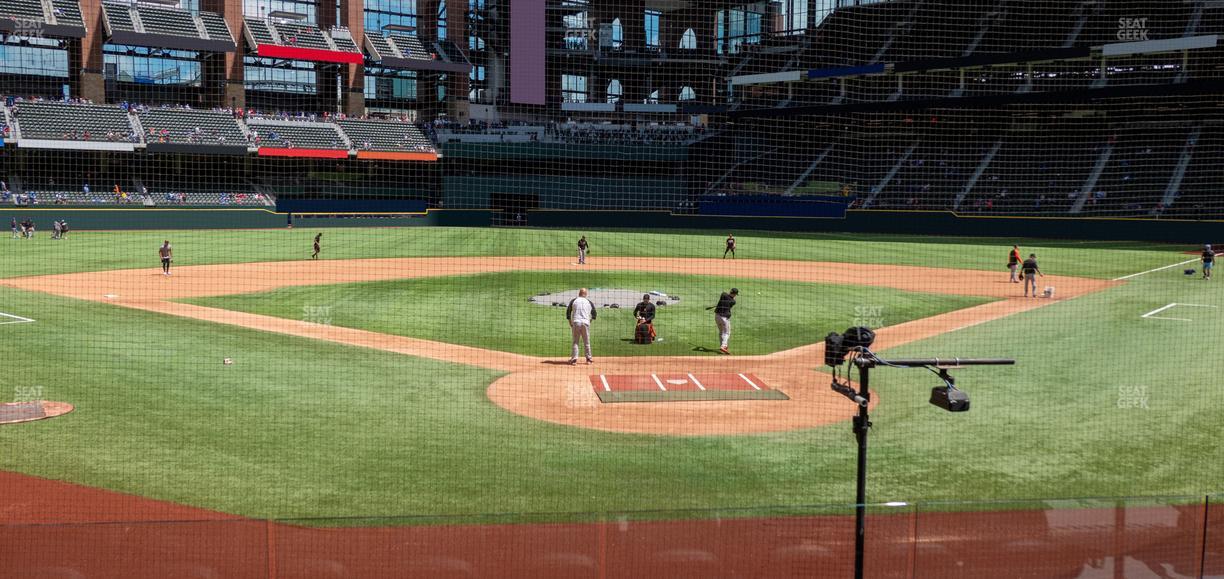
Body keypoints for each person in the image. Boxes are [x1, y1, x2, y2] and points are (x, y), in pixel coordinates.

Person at [565, 288, 596, 364]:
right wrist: (589, 322)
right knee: (587, 341)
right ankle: (589, 359)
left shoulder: (574, 301)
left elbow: (568, 312)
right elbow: (594, 314)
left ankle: (574, 360)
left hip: (576, 322)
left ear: (579, 293)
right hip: (586, 322)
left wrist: (570, 322)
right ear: (586, 294)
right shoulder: (589, 302)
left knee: (575, 342)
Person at [707, 288, 738, 354]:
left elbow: (726, 294)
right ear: (735, 294)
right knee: (727, 332)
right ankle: (723, 346)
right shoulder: (733, 302)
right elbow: (732, 300)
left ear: (730, 291)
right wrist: (733, 297)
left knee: (721, 332)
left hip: (717, 317)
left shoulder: (723, 294)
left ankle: (723, 345)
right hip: (724, 318)